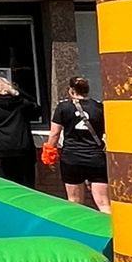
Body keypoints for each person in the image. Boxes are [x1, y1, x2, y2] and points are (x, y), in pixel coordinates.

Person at [51, 74, 110, 211]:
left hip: (72, 157)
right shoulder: (99, 107)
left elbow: (54, 134)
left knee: (74, 201)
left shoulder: (63, 107)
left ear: (71, 90)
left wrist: (50, 156)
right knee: (103, 202)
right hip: (95, 157)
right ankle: (109, 224)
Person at [0, 75, 42, 187]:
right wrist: (20, 92)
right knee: (27, 186)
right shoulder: (22, 103)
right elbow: (37, 110)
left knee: (6, 187)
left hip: (1, 150)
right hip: (23, 149)